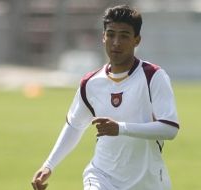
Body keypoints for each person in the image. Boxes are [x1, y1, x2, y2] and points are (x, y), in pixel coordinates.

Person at [31, 4, 180, 190]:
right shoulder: (91, 82)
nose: (116, 42)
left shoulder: (153, 76)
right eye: (110, 34)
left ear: (137, 40)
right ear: (103, 37)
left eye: (124, 36)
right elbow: (74, 126)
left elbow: (169, 129)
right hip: (102, 176)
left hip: (147, 182)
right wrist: (49, 165)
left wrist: (121, 128)